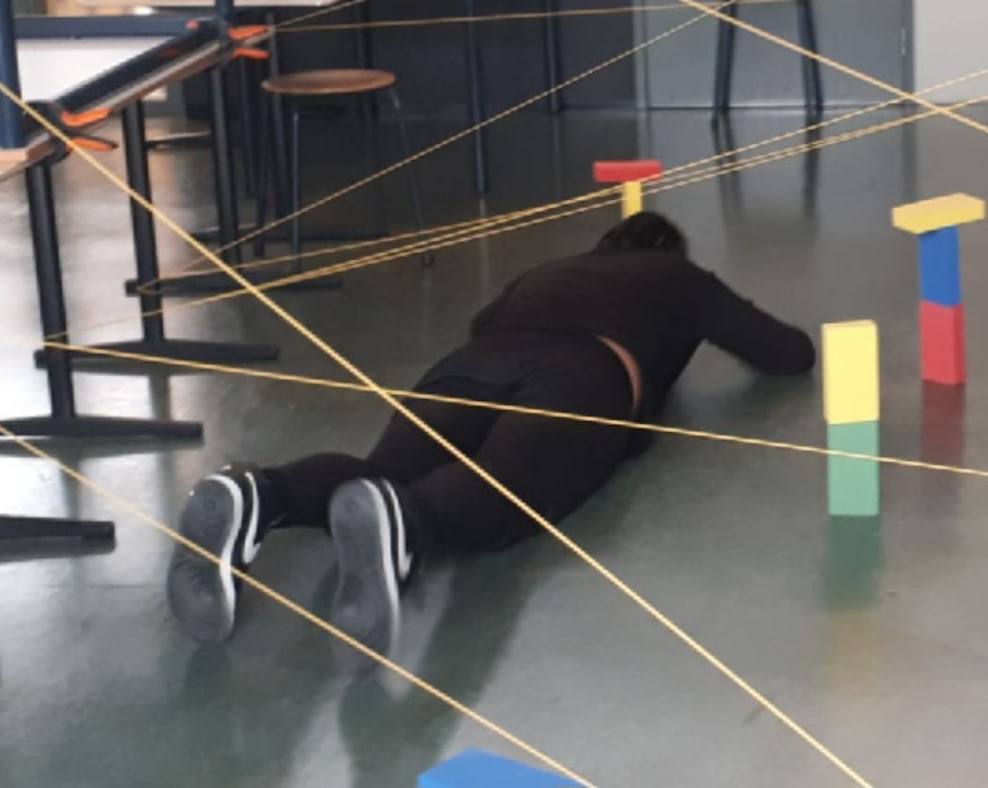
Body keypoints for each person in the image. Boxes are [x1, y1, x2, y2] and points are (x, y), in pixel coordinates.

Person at [166, 212, 816, 651]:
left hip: (473, 362)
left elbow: (482, 322)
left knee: (380, 474)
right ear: (666, 252)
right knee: (507, 488)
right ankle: (410, 523)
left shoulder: (548, 271)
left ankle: (263, 493)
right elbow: (788, 354)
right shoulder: (678, 276)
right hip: (582, 373)